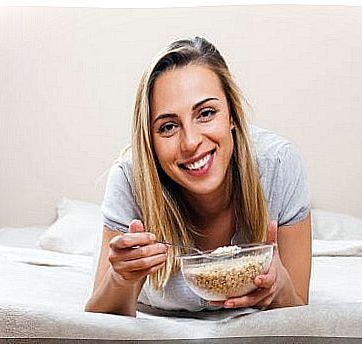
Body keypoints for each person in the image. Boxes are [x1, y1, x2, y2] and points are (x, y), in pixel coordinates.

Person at [85, 36, 312, 316]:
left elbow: (299, 310)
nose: (191, 142)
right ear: (150, 142)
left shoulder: (278, 165)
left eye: (206, 113)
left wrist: (279, 291)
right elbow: (98, 322)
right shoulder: (132, 178)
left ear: (232, 116)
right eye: (168, 127)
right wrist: (121, 278)